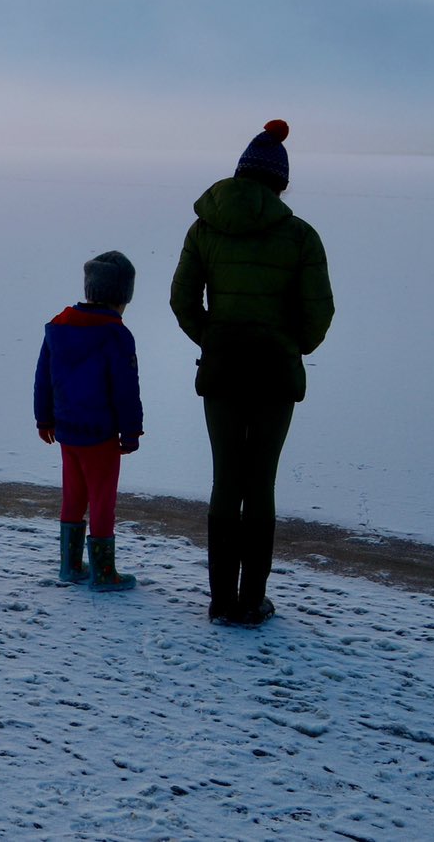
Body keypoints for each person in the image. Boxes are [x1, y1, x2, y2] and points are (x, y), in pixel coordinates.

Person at [169, 120, 334, 626]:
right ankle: (250, 601)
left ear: (239, 175)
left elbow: (181, 300)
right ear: (279, 183)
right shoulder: (301, 236)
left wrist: (215, 339)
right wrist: (289, 346)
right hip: (274, 375)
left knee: (226, 480)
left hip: (221, 371)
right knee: (260, 483)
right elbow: (319, 313)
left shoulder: (203, 228)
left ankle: (220, 601)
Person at [33, 250, 144, 592]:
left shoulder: (59, 326)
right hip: (102, 435)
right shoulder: (115, 334)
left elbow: (42, 378)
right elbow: (126, 388)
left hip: (66, 430)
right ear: (121, 296)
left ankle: (70, 566)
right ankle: (103, 572)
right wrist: (132, 429)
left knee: (74, 494)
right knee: (102, 500)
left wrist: (44, 419)